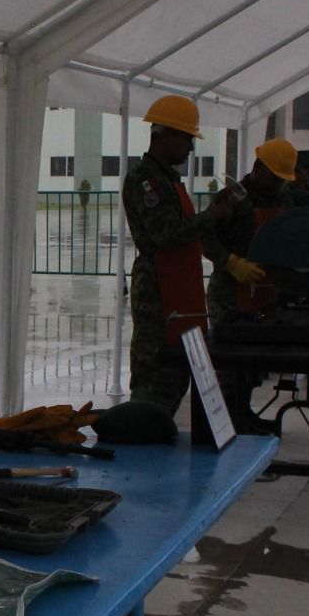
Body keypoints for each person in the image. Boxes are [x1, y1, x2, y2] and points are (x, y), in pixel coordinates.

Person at [121, 94, 233, 414]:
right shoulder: (145, 180)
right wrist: (211, 215)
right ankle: (142, 437)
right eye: (186, 138)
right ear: (165, 134)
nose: (190, 147)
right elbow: (165, 235)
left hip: (178, 288)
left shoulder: (168, 179)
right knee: (155, 375)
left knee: (177, 375)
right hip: (158, 291)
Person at [203, 139, 294, 433]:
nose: (277, 184)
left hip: (264, 294)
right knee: (231, 361)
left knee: (255, 358)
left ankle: (244, 413)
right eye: (273, 177)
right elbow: (204, 236)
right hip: (229, 293)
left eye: (282, 180)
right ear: (257, 168)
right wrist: (230, 262)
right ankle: (227, 423)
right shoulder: (231, 198)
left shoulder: (280, 200)